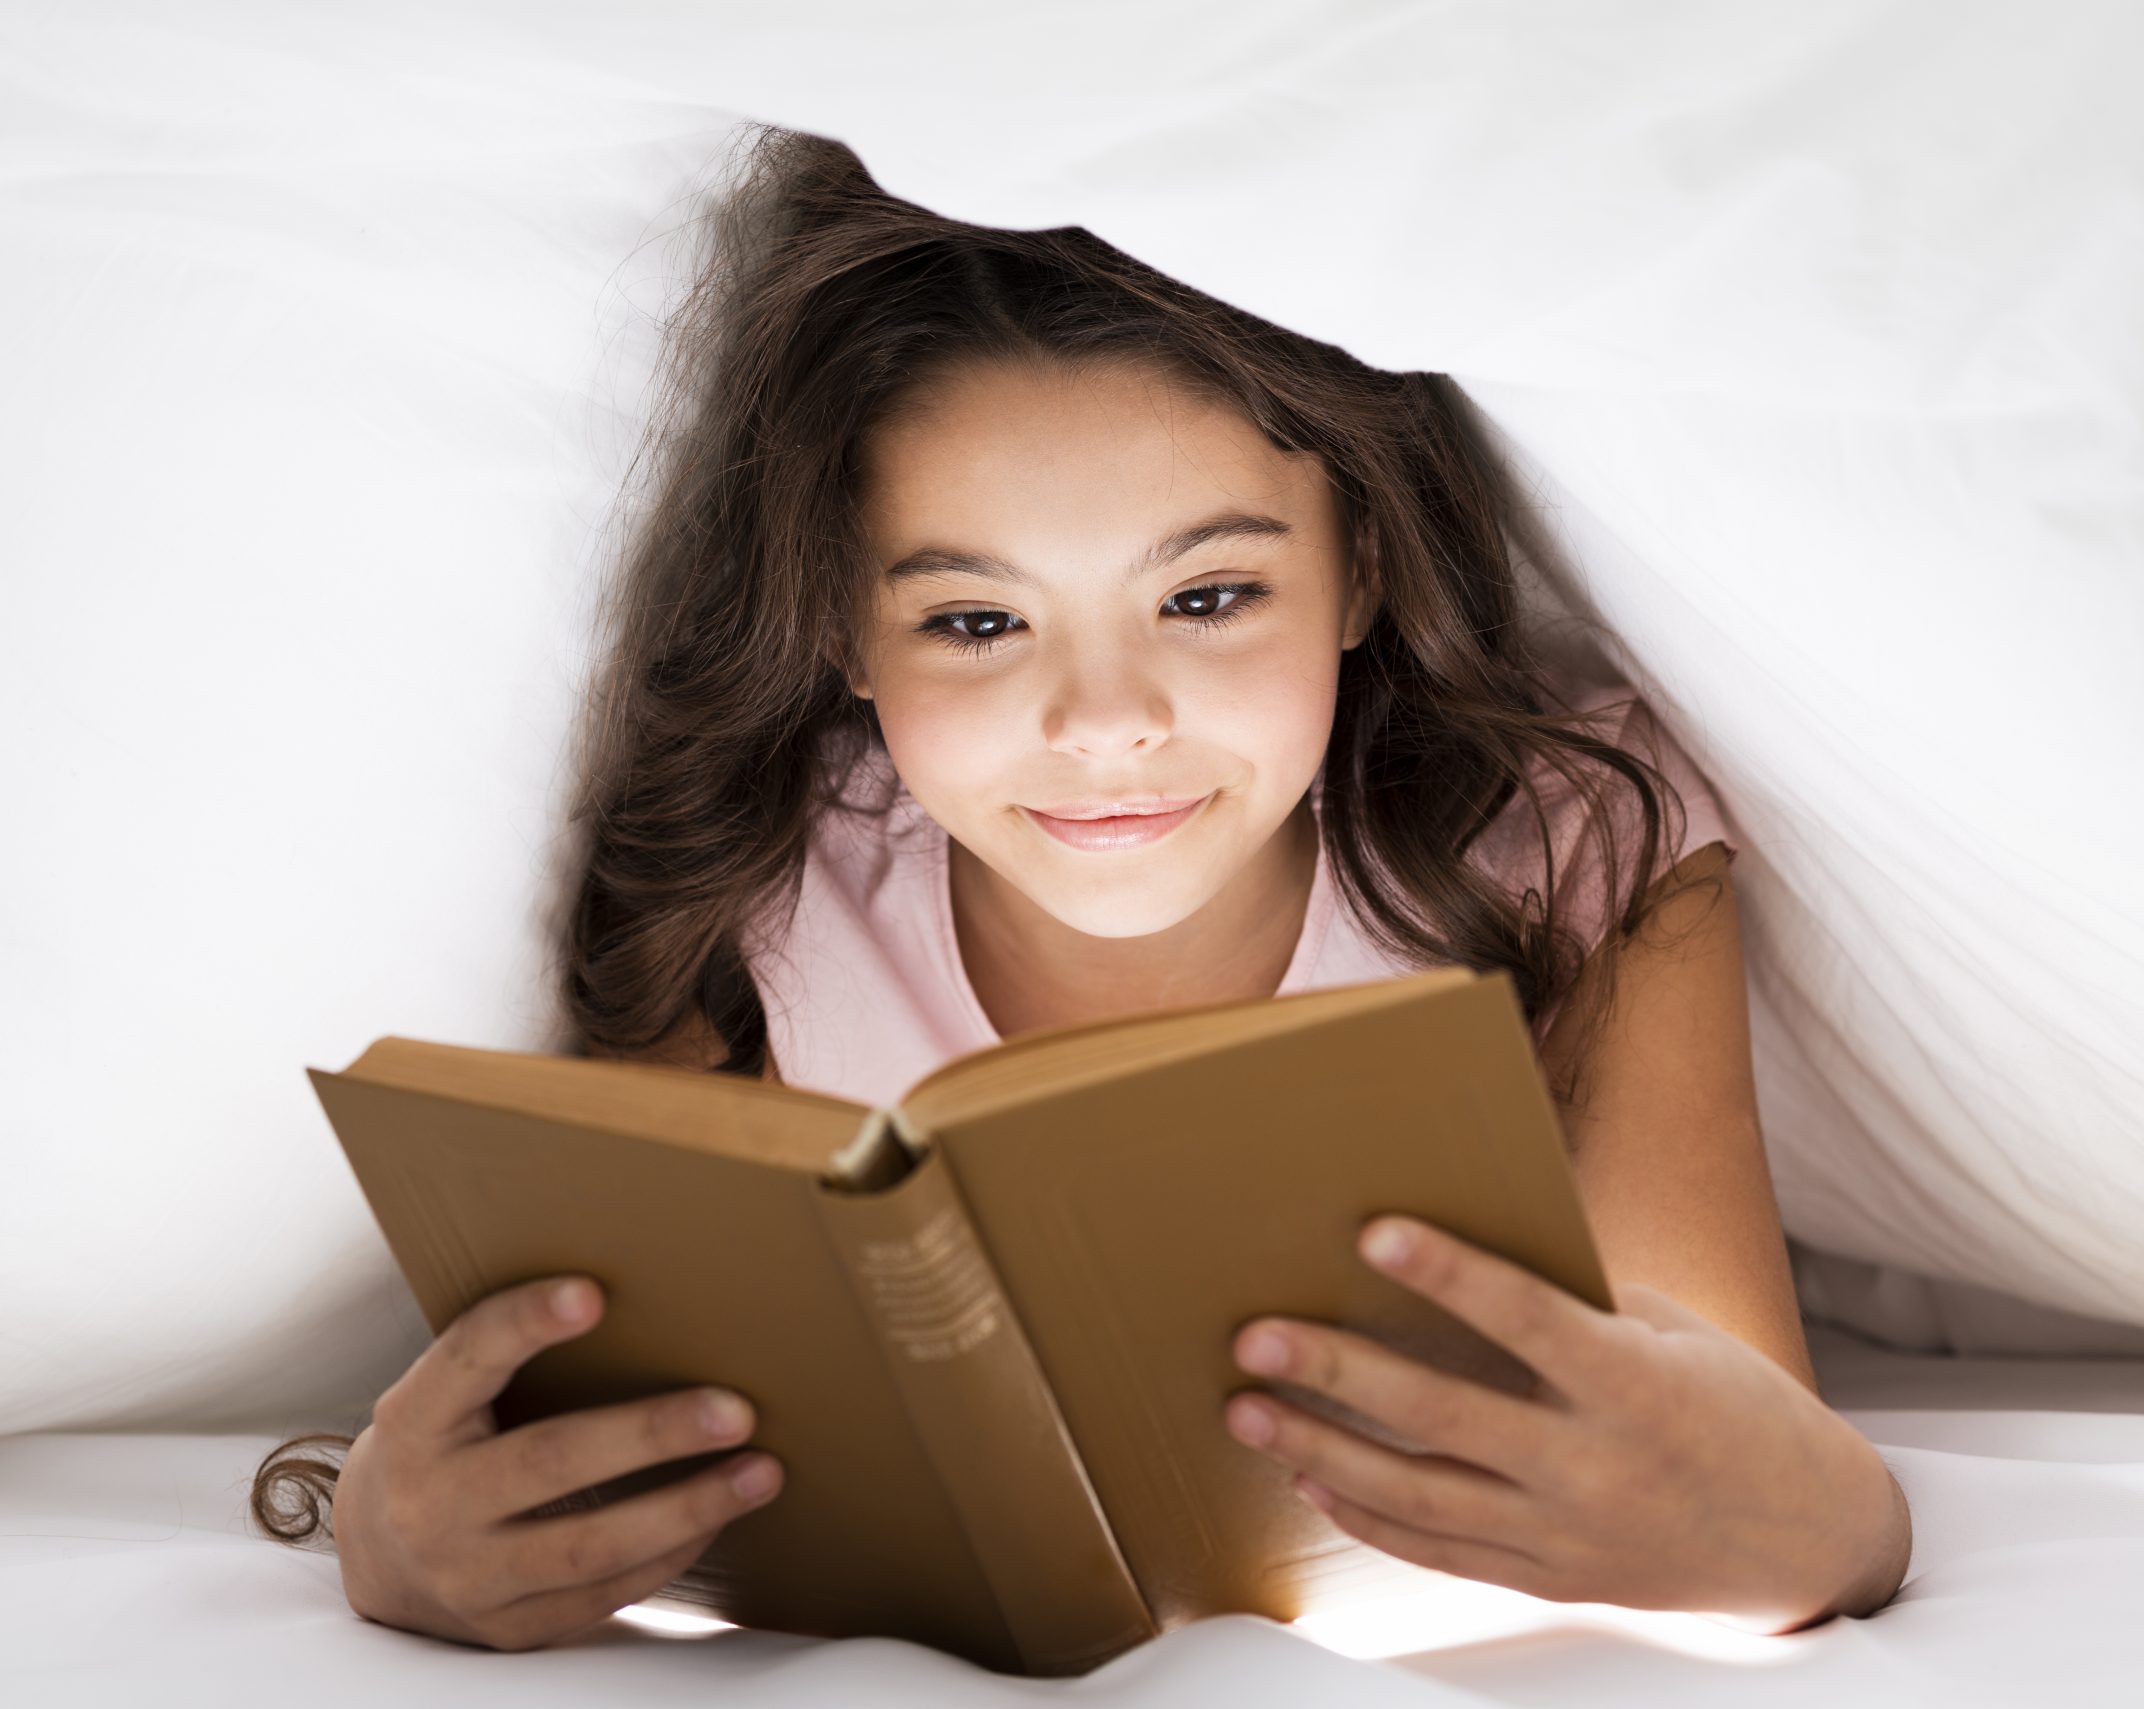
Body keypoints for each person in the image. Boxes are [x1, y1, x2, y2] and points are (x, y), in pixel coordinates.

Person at [248, 124, 1911, 1654]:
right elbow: (575, 1435)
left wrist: (1818, 1529)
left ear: (1365, 568)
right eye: (977, 621)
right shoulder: (758, 889)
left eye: (1208, 596)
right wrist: (391, 1541)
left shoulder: (1571, 846)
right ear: (842, 627)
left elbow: (1758, 1449)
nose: (1106, 720)